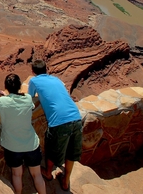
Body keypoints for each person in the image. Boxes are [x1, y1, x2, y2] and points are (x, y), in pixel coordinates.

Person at [28, 59, 82, 192]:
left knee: (51, 147)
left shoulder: (34, 81)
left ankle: (47, 172)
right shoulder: (57, 79)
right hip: (76, 117)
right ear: (46, 69)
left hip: (59, 122)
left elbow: (29, 98)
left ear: (33, 72)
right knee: (71, 151)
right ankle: (65, 181)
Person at [0, 73, 46, 194]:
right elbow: (28, 105)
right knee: (37, 175)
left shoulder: (1, 102)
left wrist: (3, 97)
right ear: (20, 86)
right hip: (31, 144)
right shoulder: (27, 98)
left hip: (12, 147)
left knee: (17, 175)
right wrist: (9, 96)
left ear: (6, 87)